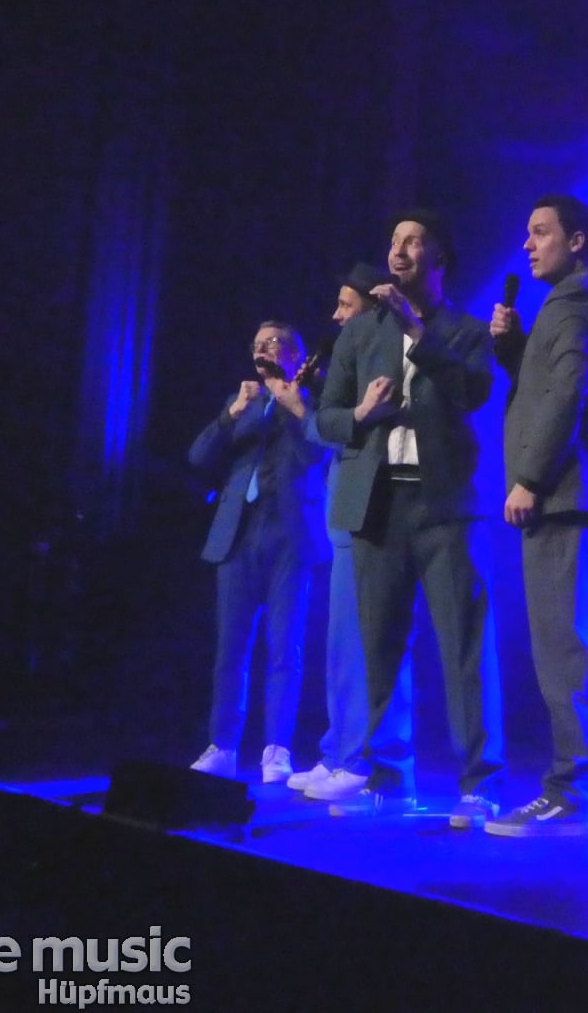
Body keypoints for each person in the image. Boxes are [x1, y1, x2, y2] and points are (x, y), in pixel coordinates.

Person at [313, 210, 506, 827]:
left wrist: (417, 330)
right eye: (394, 240)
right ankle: (389, 775)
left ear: (438, 257)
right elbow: (326, 417)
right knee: (379, 646)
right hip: (378, 505)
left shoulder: (465, 331)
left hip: (443, 506)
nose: (398, 249)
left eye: (413, 240)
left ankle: (481, 782)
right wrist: (361, 415)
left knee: (464, 647)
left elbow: (473, 392)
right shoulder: (359, 333)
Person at [485, 195, 588, 837]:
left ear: (576, 241)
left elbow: (568, 394)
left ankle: (568, 790)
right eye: (527, 233)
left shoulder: (570, 302)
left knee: (566, 646)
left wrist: (529, 478)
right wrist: (513, 351)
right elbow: (559, 385)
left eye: (541, 232)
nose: (528, 245)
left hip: (568, 497)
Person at [288, 263, 415, 802]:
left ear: (372, 306)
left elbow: (353, 427)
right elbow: (329, 426)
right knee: (341, 640)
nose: (337, 316)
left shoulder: (389, 353)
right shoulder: (345, 358)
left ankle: (361, 757)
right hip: (344, 503)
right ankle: (338, 748)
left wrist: (320, 412)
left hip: (374, 504)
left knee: (364, 640)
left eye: (346, 304)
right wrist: (309, 405)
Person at [186, 322, 329, 783]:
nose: (262, 349)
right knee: (230, 648)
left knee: (285, 647)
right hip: (239, 534)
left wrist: (294, 404)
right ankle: (223, 745)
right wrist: (232, 414)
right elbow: (198, 457)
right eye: (257, 344)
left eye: (272, 343)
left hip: (290, 535)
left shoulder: (312, 399)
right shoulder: (242, 400)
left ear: (294, 354)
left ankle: (277, 749)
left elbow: (318, 454)